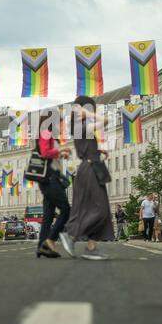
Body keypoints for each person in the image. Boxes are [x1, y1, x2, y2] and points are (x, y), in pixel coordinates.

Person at [60, 96, 114, 260]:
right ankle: (71, 235)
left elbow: (86, 145)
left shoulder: (80, 126)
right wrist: (88, 114)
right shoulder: (81, 125)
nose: (93, 111)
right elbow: (106, 120)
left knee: (93, 208)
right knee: (100, 209)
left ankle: (91, 248)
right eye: (91, 108)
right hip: (89, 169)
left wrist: (99, 151)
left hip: (92, 167)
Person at [36, 109, 71, 258]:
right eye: (59, 120)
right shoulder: (45, 133)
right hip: (50, 179)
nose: (61, 123)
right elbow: (44, 152)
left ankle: (42, 247)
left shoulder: (50, 135)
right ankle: (50, 240)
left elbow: (49, 153)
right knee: (66, 209)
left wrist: (60, 152)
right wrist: (60, 150)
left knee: (49, 214)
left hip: (50, 178)